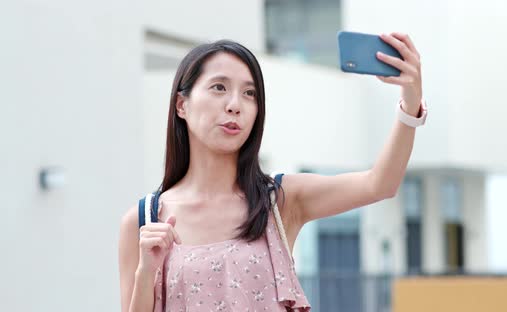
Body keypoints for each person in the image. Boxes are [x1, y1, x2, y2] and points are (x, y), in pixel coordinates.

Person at [118, 32, 426, 312]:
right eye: (219, 87)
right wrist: (146, 273)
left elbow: (379, 183)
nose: (235, 104)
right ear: (181, 105)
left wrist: (410, 104)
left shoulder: (278, 201)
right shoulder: (144, 220)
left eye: (250, 94)